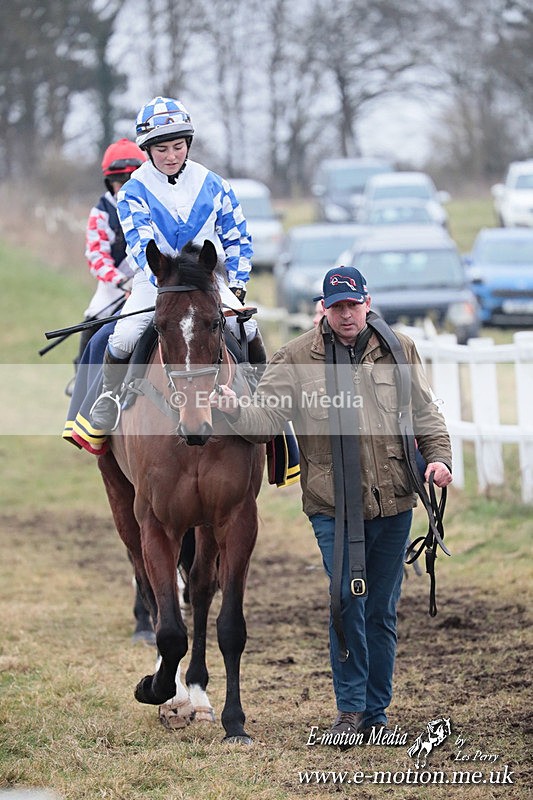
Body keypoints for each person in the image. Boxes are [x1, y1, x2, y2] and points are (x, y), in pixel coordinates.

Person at [211, 265, 452, 744]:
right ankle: (349, 709)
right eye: (336, 306)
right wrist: (233, 408)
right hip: (332, 507)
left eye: (353, 305)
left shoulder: (398, 350)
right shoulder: (294, 358)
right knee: (346, 601)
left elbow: (426, 413)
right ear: (323, 308)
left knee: (381, 609)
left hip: (395, 501)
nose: (346, 314)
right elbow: (266, 422)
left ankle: (375, 714)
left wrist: (439, 460)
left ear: (367, 302)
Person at [89, 96, 265, 432]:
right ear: (148, 150)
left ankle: (262, 398)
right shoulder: (133, 191)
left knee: (248, 327)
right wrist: (165, 281)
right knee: (125, 334)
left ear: (188, 144)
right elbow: (141, 244)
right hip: (156, 279)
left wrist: (239, 283)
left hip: (207, 281)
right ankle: (110, 396)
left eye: (178, 146)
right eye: (162, 149)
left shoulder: (215, 185)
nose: (171, 156)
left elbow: (238, 237)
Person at [65, 139, 147, 396]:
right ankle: (82, 377)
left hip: (148, 278)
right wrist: (122, 282)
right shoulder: (100, 213)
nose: (125, 186)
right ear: (109, 182)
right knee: (93, 318)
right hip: (115, 284)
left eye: (132, 179)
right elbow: (97, 257)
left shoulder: (153, 203)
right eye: (120, 181)